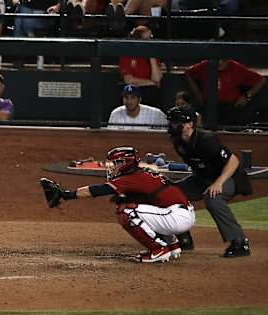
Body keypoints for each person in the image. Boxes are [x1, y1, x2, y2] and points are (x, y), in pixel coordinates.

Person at [40, 146, 195, 263]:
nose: (112, 167)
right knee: (136, 204)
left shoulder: (131, 177)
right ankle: (172, 245)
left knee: (126, 211)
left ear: (126, 163)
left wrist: (66, 195)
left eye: (116, 163)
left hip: (176, 217)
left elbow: (97, 190)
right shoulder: (142, 173)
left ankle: (159, 249)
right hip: (179, 213)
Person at [166, 106, 252, 257]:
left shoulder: (207, 140)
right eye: (171, 122)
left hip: (229, 177)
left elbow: (233, 161)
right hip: (204, 179)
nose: (172, 125)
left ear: (189, 124)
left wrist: (218, 183)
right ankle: (183, 238)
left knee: (213, 198)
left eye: (176, 122)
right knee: (171, 193)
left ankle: (239, 242)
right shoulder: (178, 142)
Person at [185, 59, 267, 125]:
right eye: (218, 59)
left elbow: (261, 80)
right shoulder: (205, 65)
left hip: (229, 108)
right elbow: (188, 72)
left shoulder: (236, 68)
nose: (220, 63)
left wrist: (247, 96)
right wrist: (198, 93)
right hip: (208, 107)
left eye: (223, 60)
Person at [118, 25, 163, 107]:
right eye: (147, 39)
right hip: (133, 89)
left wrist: (151, 57)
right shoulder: (127, 53)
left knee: (153, 93)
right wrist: (151, 83)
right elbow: (129, 80)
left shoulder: (153, 53)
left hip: (149, 89)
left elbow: (157, 79)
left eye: (151, 38)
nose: (150, 41)